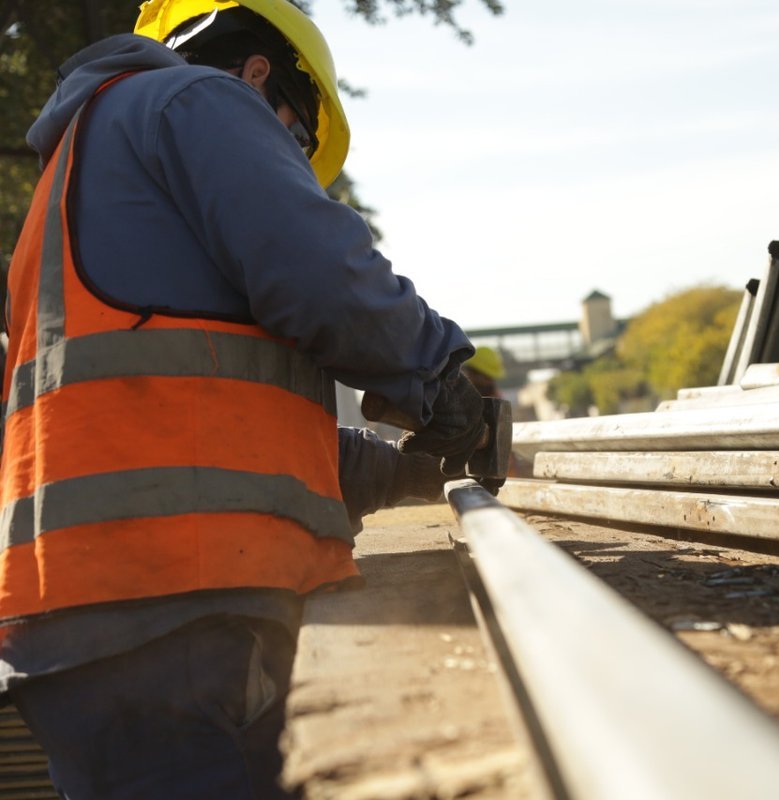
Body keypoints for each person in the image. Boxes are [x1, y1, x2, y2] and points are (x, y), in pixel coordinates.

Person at [0, 1, 487, 797]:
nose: (286, 162)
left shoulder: (77, 182)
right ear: (258, 74)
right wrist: (438, 376)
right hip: (175, 610)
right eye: (295, 140)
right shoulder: (196, 100)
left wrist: (410, 472)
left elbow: (209, 429)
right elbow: (324, 278)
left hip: (82, 619)